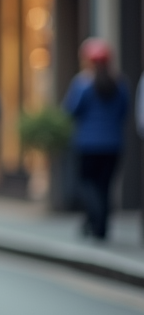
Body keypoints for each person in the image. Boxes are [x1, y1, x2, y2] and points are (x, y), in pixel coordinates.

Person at [63, 39, 129, 241]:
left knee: (88, 184)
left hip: (88, 144)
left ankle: (96, 220)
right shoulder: (120, 83)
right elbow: (123, 112)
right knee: (105, 186)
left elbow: (70, 110)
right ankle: (99, 224)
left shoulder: (82, 84)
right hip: (113, 144)